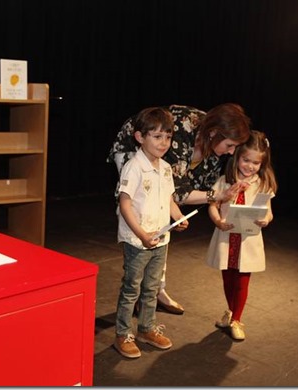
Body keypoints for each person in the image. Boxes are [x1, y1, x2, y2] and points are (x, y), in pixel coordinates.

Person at [108, 103, 251, 314]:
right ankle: (138, 290)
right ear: (214, 133)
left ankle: (156, 289)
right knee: (142, 210)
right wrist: (217, 196)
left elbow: (184, 193)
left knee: (162, 221)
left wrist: (183, 211)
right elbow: (179, 193)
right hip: (136, 143)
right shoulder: (180, 133)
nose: (231, 152)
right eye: (230, 145)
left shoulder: (211, 146)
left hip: (162, 152)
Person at [114, 107, 190, 359]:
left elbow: (169, 199)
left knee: (152, 287)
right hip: (138, 240)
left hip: (160, 238)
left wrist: (178, 217)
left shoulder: (166, 168)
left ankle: (146, 328)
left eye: (167, 137)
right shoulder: (133, 166)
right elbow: (124, 204)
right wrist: (142, 234)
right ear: (140, 137)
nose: (163, 142)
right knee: (132, 288)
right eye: (156, 136)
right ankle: (123, 333)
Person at [205, 130, 277, 341]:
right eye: (246, 160)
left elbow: (269, 211)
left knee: (242, 280)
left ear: (262, 164)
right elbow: (213, 205)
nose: (250, 166)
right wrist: (218, 221)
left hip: (248, 240)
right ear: (237, 156)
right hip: (227, 238)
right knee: (228, 278)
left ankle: (237, 319)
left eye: (256, 163)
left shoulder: (262, 183)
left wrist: (266, 220)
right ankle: (229, 312)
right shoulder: (224, 180)